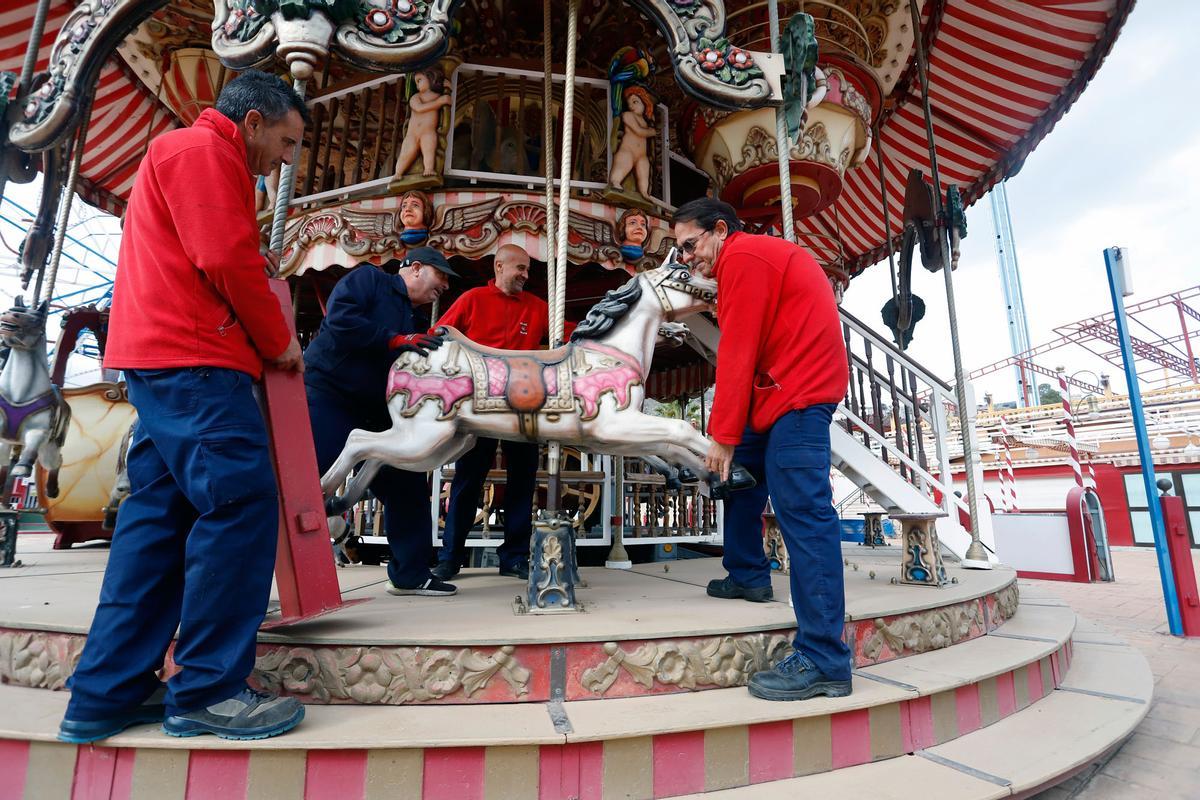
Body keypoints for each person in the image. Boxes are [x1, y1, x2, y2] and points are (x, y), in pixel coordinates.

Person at [59, 71, 310, 743]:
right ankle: (209, 688)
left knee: (157, 521)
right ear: (252, 121)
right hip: (197, 359)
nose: (285, 161)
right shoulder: (204, 151)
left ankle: (105, 692)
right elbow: (226, 256)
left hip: (161, 360)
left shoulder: (175, 153)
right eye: (285, 142)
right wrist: (279, 341)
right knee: (239, 504)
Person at [672, 197, 852, 702]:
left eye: (690, 245)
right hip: (776, 391)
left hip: (798, 394)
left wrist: (721, 434)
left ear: (720, 231)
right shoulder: (742, 263)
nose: (686, 257)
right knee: (739, 481)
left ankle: (824, 657)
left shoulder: (745, 259)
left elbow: (737, 349)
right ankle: (749, 574)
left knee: (804, 512)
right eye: (679, 251)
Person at [304, 247, 459, 596]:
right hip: (330, 394)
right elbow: (341, 320)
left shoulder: (416, 320)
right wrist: (394, 340)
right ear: (415, 268)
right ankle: (264, 565)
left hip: (377, 410)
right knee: (306, 476)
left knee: (407, 479)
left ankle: (411, 573)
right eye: (441, 275)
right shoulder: (369, 279)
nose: (445, 285)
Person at [431, 243, 549, 581]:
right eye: (521, 269)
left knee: (523, 482)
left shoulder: (539, 308)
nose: (526, 275)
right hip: (479, 404)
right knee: (468, 481)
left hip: (522, 405)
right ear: (499, 266)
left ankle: (513, 556)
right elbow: (440, 335)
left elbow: (571, 335)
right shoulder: (471, 300)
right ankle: (450, 557)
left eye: (528, 269)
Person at [394, 68, 452, 179]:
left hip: (428, 131)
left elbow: (446, 99)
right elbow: (419, 108)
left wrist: (448, 87)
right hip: (413, 133)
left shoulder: (437, 96)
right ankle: (398, 173)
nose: (417, 85)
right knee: (407, 152)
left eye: (419, 80)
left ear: (431, 78)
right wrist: (439, 102)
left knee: (429, 148)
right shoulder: (416, 97)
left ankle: (429, 169)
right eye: (416, 82)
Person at [609, 86, 656, 197]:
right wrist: (652, 132)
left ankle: (644, 192)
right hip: (628, 151)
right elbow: (639, 131)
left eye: (635, 102)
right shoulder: (628, 115)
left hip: (641, 155)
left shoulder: (645, 121)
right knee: (622, 166)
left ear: (645, 102)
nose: (631, 106)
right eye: (629, 104)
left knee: (644, 172)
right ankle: (615, 183)